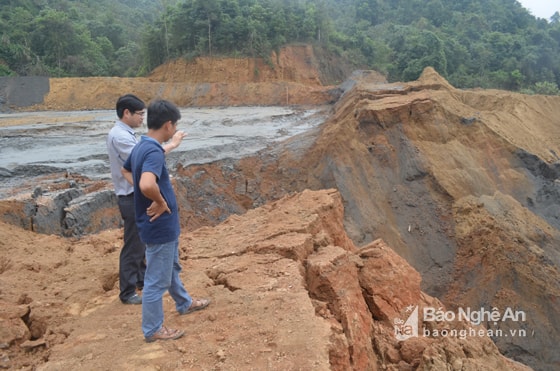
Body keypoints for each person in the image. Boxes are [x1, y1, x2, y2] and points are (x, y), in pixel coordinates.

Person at [121, 99, 210, 342]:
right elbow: (147, 183)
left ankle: (184, 302)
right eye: (174, 126)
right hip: (159, 227)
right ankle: (153, 329)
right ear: (168, 125)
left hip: (160, 228)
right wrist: (160, 202)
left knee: (170, 268)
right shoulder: (151, 152)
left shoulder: (143, 146)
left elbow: (126, 171)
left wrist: (173, 145)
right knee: (155, 282)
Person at [107, 94, 186, 305]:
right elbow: (146, 168)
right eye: (139, 114)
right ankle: (128, 291)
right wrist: (159, 199)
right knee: (134, 246)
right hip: (131, 196)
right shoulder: (123, 137)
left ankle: (142, 281)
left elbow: (131, 167)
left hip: (136, 194)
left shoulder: (132, 137)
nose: (142, 118)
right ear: (126, 113)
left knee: (141, 244)